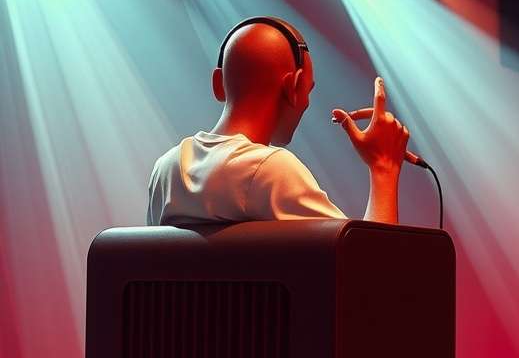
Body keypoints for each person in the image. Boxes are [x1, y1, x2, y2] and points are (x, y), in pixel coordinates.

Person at [147, 18, 410, 226]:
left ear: (218, 85)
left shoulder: (165, 170)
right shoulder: (269, 170)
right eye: (309, 89)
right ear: (293, 87)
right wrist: (383, 166)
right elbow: (371, 269)